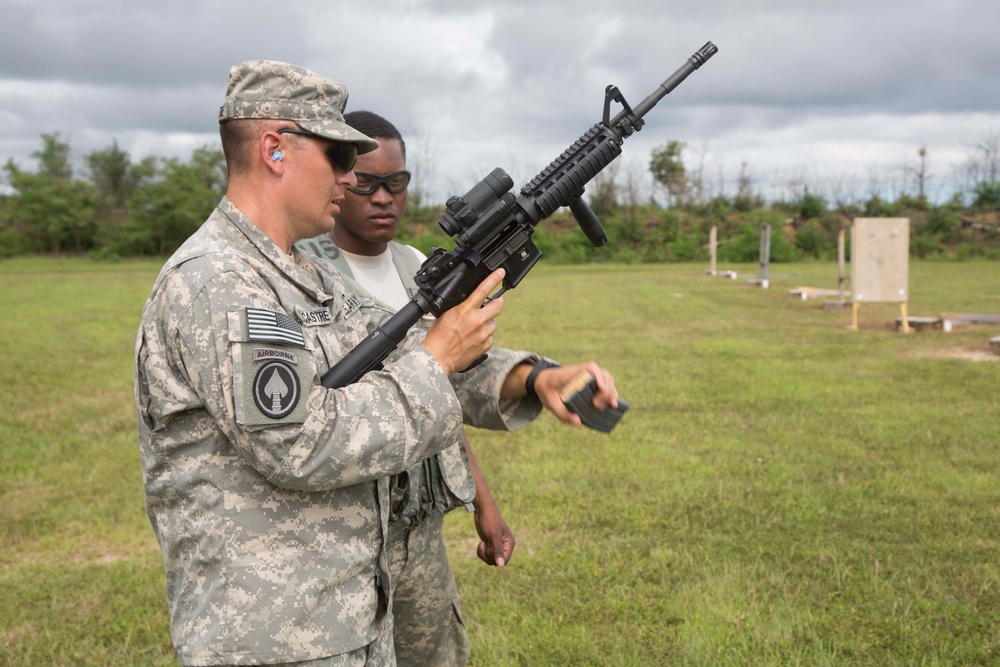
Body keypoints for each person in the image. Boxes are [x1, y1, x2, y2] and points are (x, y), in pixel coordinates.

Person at [134, 60, 620, 667]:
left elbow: (410, 359)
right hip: (273, 633)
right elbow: (300, 442)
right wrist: (436, 359)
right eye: (339, 158)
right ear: (274, 150)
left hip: (346, 612)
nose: (349, 178)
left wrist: (536, 376)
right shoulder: (218, 283)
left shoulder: (299, 276)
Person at [297, 110, 509, 667]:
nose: (384, 197)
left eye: (398, 182)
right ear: (341, 180)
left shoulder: (418, 267)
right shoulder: (304, 271)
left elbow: (436, 392)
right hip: (348, 526)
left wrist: (483, 504)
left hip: (419, 526)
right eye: (367, 183)